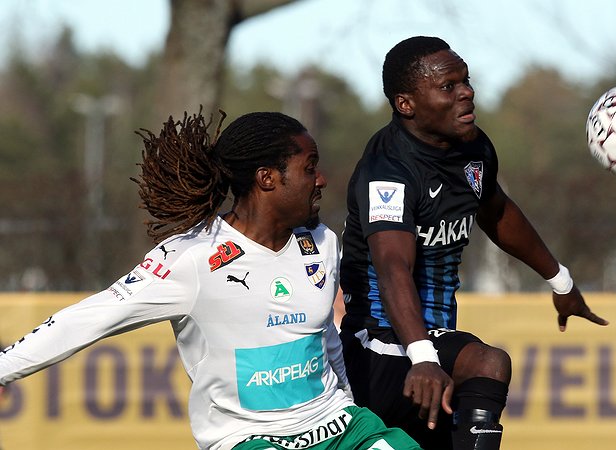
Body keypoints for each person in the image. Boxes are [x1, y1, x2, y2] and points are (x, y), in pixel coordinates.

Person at [0, 111, 421, 450]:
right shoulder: (192, 257)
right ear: (267, 178)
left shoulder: (322, 242)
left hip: (339, 426)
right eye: (309, 167)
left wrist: (347, 401)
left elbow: (323, 335)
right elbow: (86, 319)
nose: (322, 179)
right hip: (249, 439)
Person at [338, 36, 610, 450]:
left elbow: (496, 211)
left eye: (466, 81)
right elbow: (392, 267)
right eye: (448, 86)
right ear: (406, 104)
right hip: (379, 343)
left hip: (430, 350)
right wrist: (423, 357)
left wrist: (561, 281)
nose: (467, 92)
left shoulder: (473, 148)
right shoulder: (388, 169)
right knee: (488, 362)